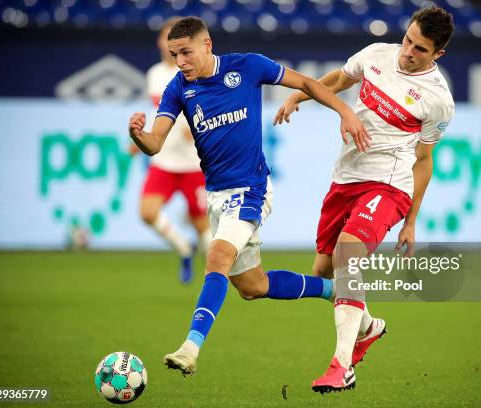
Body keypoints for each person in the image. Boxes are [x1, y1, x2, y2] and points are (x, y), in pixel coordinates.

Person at [128, 16, 371, 376]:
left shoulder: (247, 66)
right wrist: (137, 133)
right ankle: (335, 291)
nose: (179, 62)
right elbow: (154, 144)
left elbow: (304, 82)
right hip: (216, 196)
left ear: (207, 45)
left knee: (218, 257)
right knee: (253, 286)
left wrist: (345, 110)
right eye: (174, 54)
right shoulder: (178, 88)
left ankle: (190, 347)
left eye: (186, 53)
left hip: (251, 190)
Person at [275, 6, 455, 393]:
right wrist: (298, 98)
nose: (408, 51)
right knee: (324, 270)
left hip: (389, 185)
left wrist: (410, 221)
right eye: (408, 40)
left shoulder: (438, 101)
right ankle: (369, 326)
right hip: (345, 178)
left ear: (437, 54)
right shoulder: (376, 54)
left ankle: (341, 366)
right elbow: (340, 78)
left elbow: (424, 161)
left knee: (348, 254)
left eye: (420, 49)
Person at [134, 17, 211, 283]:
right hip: (165, 160)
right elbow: (159, 111)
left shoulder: (196, 71)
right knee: (147, 212)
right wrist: (141, 138)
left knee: (203, 225)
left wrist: (199, 126)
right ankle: (183, 247)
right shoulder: (154, 74)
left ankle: (215, 275)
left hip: (193, 162)